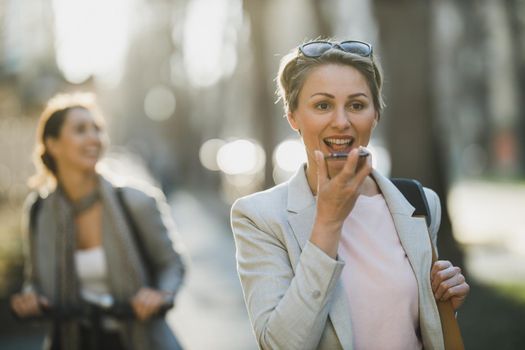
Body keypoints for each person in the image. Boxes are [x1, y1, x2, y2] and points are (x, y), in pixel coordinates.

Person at [230, 39, 470, 350]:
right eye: (322, 105)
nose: (341, 122)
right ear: (293, 117)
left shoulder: (419, 203)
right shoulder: (259, 217)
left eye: (356, 105)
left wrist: (444, 300)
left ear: (375, 115)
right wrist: (328, 224)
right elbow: (280, 344)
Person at [10, 93, 187, 350]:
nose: (94, 138)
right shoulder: (38, 211)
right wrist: (29, 298)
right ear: (53, 144)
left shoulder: (136, 201)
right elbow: (35, 280)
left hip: (143, 342)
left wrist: (160, 294)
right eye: (81, 130)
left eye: (98, 129)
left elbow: (173, 265)